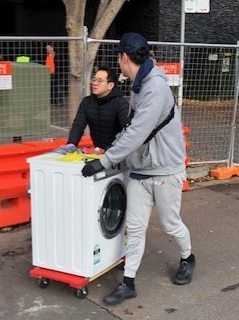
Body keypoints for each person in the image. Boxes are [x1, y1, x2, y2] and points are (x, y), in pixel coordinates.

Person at [81, 32, 196, 305]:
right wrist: (108, 154)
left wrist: (105, 161)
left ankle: (187, 257)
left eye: (118, 58)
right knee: (134, 227)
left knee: (170, 224)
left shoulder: (154, 87)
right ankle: (128, 282)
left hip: (165, 169)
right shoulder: (138, 84)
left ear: (123, 57)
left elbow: (138, 133)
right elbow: (130, 128)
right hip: (140, 169)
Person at [65, 66, 129, 150]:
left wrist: (111, 150)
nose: (95, 83)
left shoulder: (120, 103)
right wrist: (71, 143)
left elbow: (127, 131)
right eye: (94, 80)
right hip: (98, 150)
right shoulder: (87, 102)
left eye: (100, 81)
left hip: (118, 151)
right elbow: (78, 125)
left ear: (110, 85)